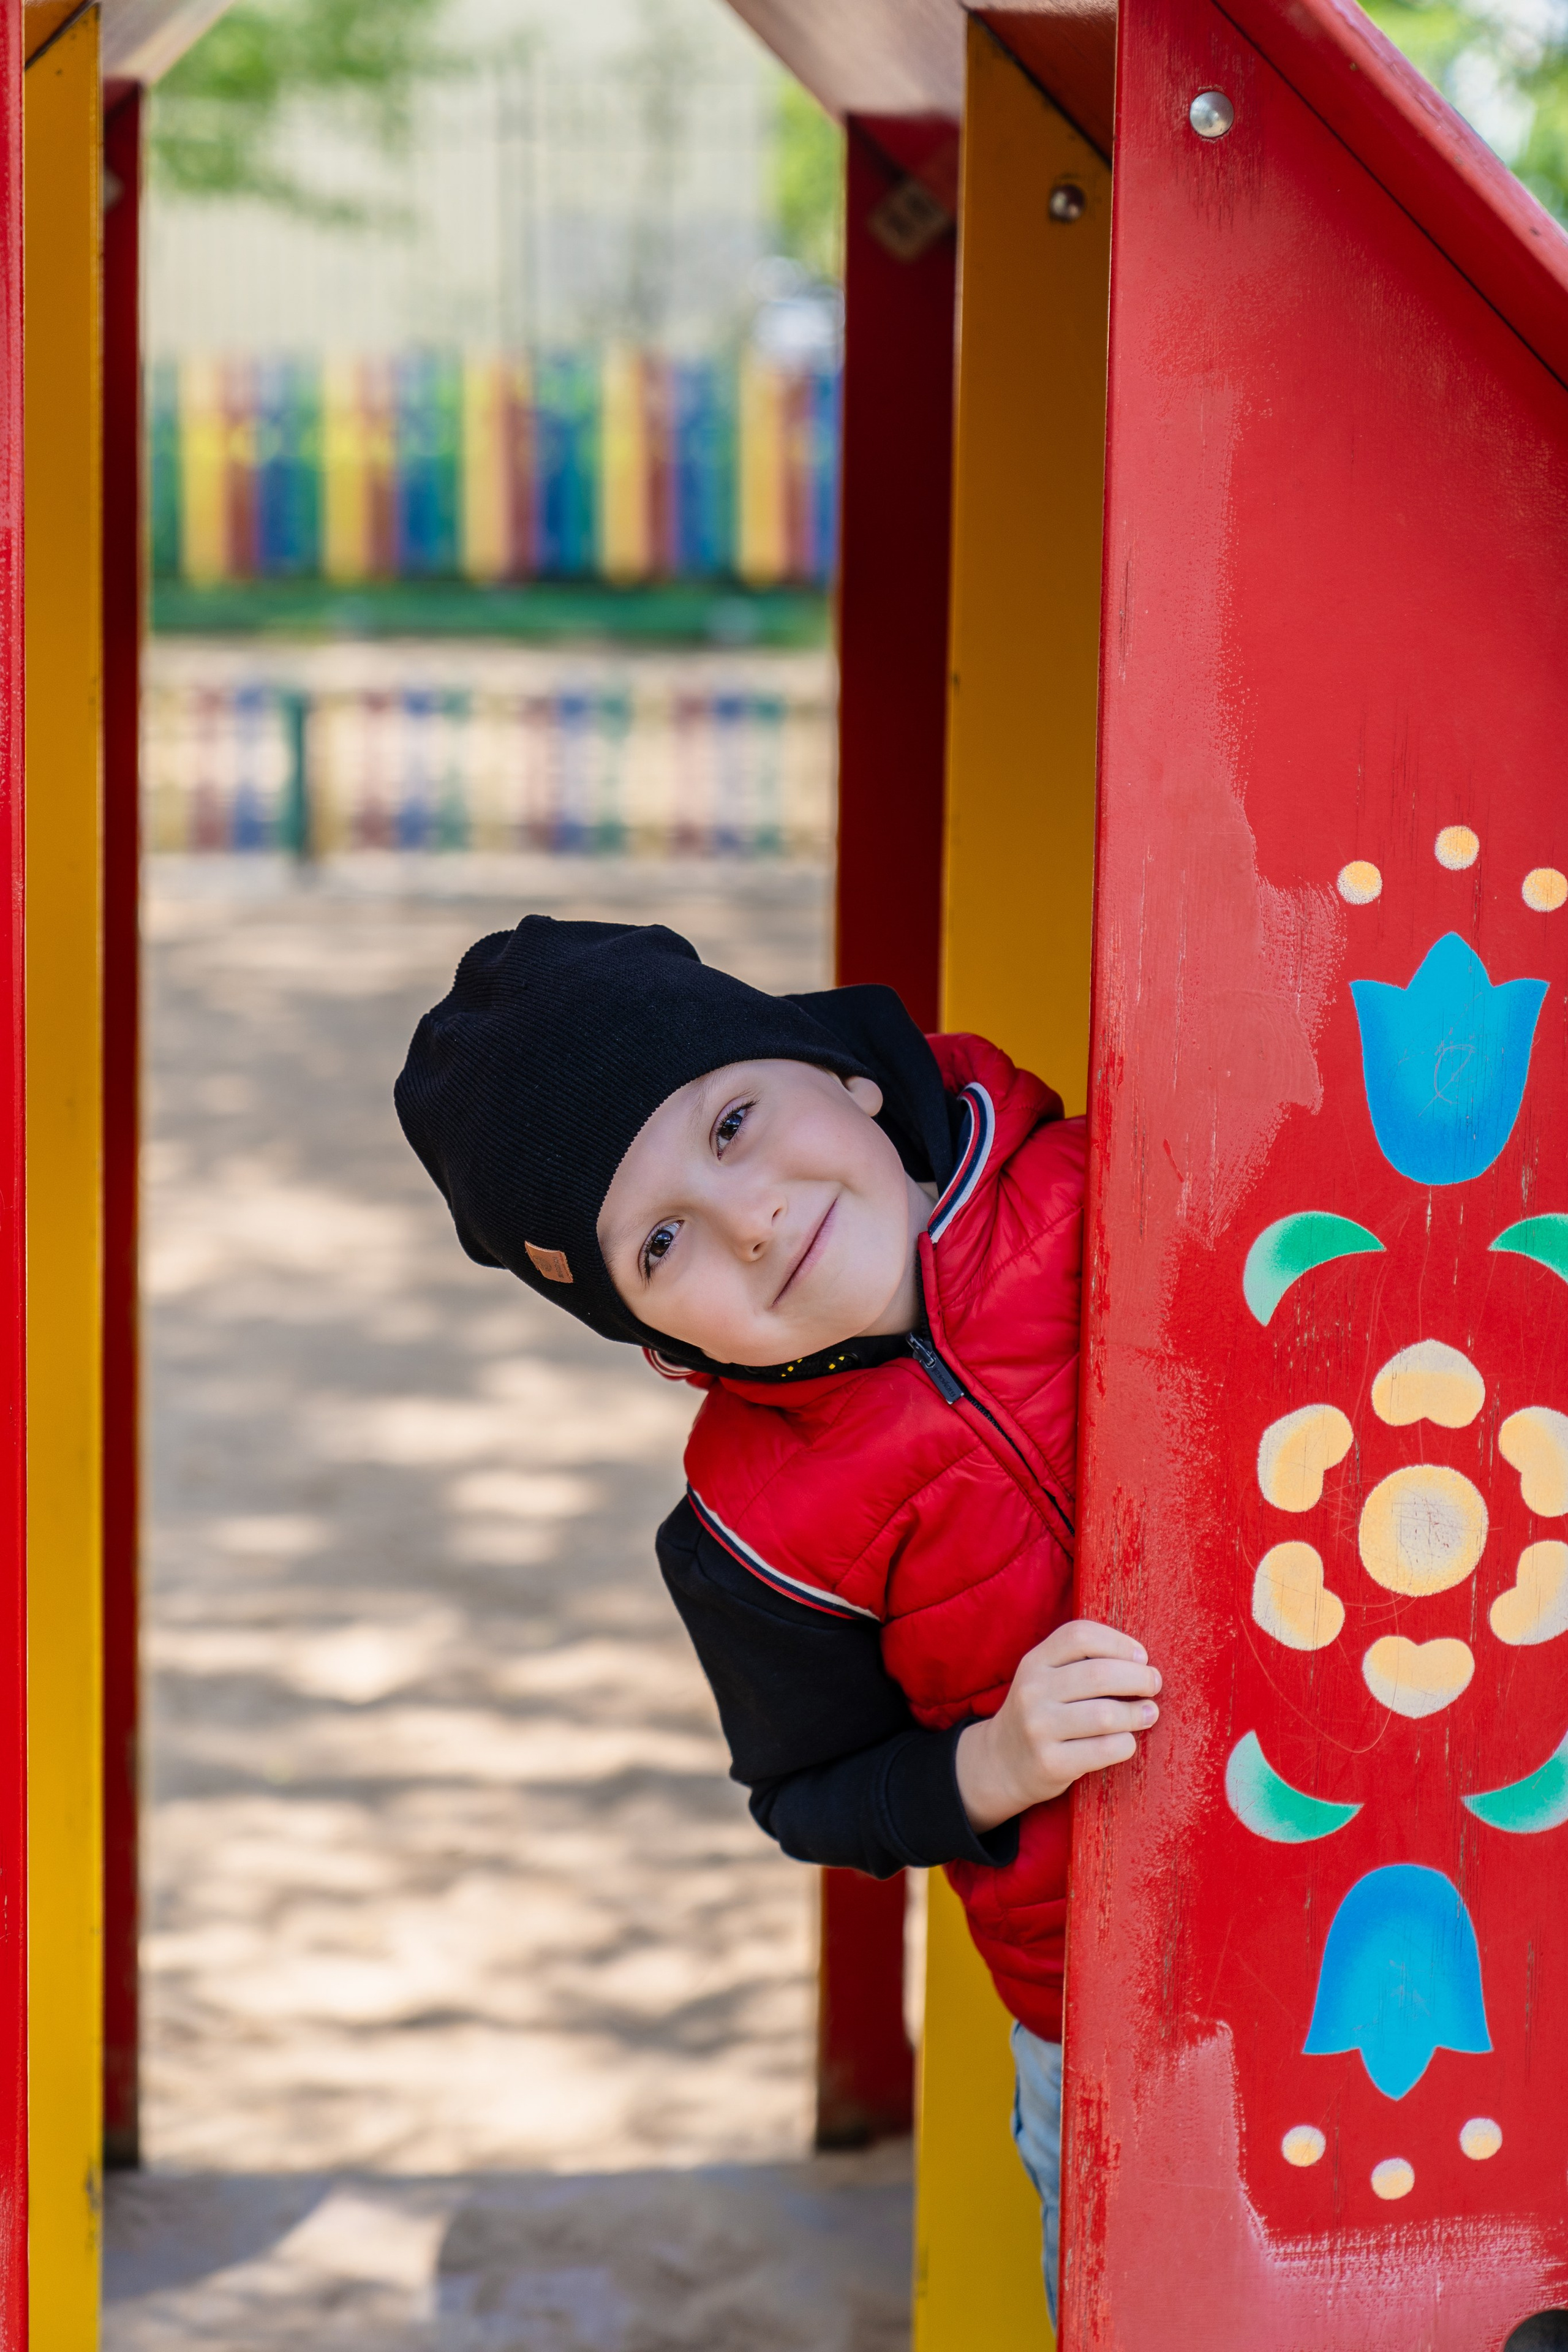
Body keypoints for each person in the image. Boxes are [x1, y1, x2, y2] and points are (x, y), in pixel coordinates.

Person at [394, 914, 1162, 2324]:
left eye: (733, 1120)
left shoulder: (1124, 1172)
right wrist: (993, 1765)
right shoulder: (756, 1528)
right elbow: (811, 1792)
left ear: (846, 1072)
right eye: (663, 1240)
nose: (747, 1219)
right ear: (654, 1339)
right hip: (1114, 2014)